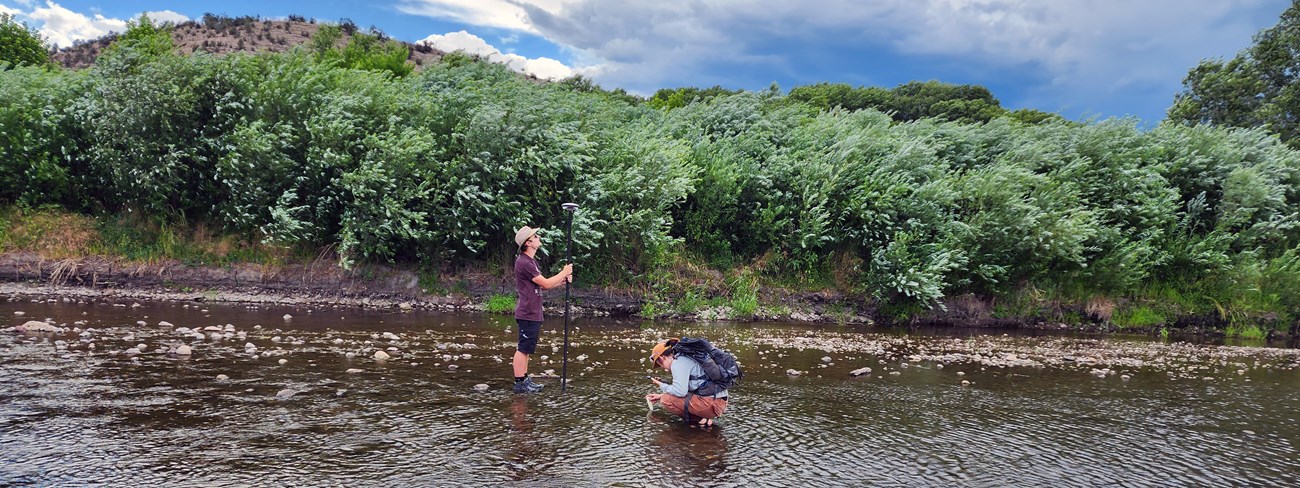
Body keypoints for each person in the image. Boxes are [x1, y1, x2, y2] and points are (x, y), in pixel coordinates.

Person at [511, 225, 573, 394]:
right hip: (527, 311)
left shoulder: (531, 261)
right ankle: (519, 382)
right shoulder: (524, 262)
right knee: (523, 348)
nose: (538, 238)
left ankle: (524, 379)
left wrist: (562, 281)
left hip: (533, 311)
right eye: (535, 236)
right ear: (528, 242)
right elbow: (545, 282)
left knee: (528, 348)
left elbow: (543, 286)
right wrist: (564, 271)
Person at [645, 338, 729, 426]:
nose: (662, 367)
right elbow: (690, 388)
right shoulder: (685, 358)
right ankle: (703, 422)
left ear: (663, 358)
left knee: (665, 400)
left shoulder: (677, 363)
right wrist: (659, 395)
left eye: (660, 364)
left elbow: (680, 392)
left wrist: (662, 385)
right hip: (719, 401)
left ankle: (699, 421)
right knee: (664, 397)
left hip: (712, 404)